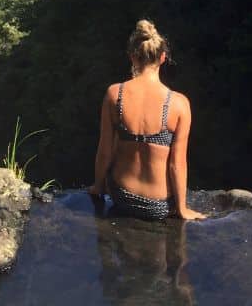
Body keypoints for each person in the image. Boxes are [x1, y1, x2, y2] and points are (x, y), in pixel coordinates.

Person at [88, 19, 206, 221]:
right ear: (162, 58)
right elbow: (177, 164)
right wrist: (182, 208)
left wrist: (98, 187)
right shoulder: (179, 103)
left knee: (120, 139)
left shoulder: (115, 94)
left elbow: (104, 150)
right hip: (159, 206)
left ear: (133, 57)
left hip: (122, 197)